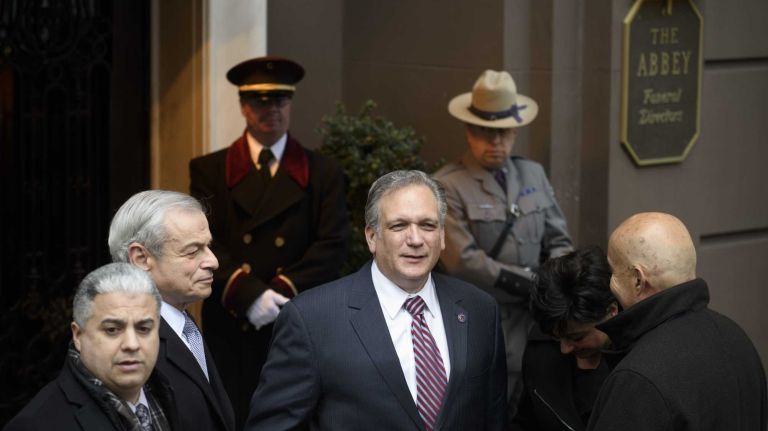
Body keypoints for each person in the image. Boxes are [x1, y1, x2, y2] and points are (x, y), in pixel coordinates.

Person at [245, 170, 507, 430]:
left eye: (427, 225)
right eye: (399, 225)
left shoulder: (479, 310)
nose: (415, 240)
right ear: (371, 237)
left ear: (441, 237)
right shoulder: (312, 318)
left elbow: (493, 419)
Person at [189, 55, 349, 426]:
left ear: (290, 104)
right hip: (233, 321)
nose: (271, 110)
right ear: (244, 106)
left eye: (279, 100)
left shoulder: (323, 172)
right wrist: (248, 294)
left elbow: (332, 245)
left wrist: (279, 292)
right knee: (234, 414)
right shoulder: (209, 169)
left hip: (297, 319)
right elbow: (201, 241)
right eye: (260, 102)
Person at [433, 69, 573, 413]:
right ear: (469, 131)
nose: (496, 142)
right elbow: (463, 262)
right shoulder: (448, 185)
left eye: (504, 132)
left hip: (539, 324)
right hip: (483, 322)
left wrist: (557, 282)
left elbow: (559, 240)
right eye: (486, 132)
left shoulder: (533, 174)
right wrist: (532, 283)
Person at [587, 212, 767, 430]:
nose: (609, 282)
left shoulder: (637, 378)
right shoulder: (736, 338)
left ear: (637, 280)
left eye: (613, 270)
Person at [109, 190, 235, 431]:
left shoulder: (182, 323)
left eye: (208, 246)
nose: (213, 261)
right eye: (192, 251)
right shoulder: (127, 346)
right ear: (141, 258)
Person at [4, 263, 178, 430]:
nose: (131, 344)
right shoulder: (35, 424)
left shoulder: (171, 396)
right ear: (78, 336)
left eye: (144, 329)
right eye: (112, 330)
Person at [512, 246, 617, 431]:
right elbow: (526, 422)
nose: (564, 349)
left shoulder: (637, 362)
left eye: (577, 337)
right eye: (556, 338)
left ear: (611, 312)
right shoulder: (541, 348)